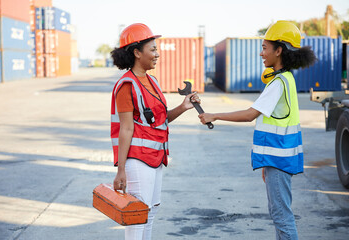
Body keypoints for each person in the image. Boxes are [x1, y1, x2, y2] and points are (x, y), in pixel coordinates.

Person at [199, 20, 316, 240]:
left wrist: (214, 115)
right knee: (279, 212)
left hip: (279, 160)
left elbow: (250, 114)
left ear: (279, 50)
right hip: (277, 159)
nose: (261, 53)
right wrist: (266, 163)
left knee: (282, 216)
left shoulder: (279, 82)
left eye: (264, 48)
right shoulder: (286, 78)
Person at [110, 23, 200, 240]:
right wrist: (121, 170)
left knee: (150, 213)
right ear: (136, 52)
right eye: (152, 49)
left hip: (156, 158)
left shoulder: (153, 81)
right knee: (137, 215)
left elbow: (160, 120)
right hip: (137, 160)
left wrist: (183, 106)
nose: (157, 54)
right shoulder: (127, 85)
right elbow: (126, 129)